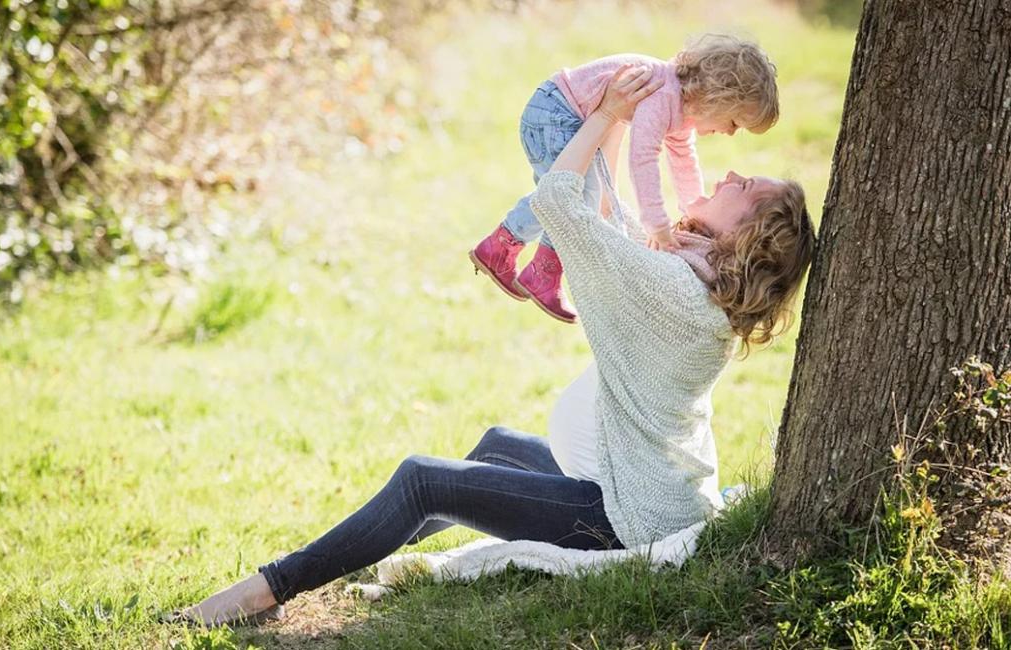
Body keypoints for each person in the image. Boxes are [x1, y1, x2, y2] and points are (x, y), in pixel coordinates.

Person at [163, 66, 815, 629]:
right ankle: (342, 559)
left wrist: (610, 114)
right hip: (644, 489)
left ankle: (264, 590)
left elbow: (561, 202)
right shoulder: (696, 285)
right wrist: (616, 124)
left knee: (424, 479)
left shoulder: (674, 290)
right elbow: (612, 220)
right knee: (495, 446)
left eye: (748, 187)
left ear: (749, 235)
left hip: (625, 517)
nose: (731, 172)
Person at [469, 34, 779, 323]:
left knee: (573, 193)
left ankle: (512, 254)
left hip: (565, 116)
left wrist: (693, 210)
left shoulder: (681, 111)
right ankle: (533, 266)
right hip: (554, 113)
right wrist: (656, 224)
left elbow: (684, 162)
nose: (729, 132)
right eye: (734, 122)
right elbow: (642, 158)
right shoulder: (664, 95)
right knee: (572, 194)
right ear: (718, 97)